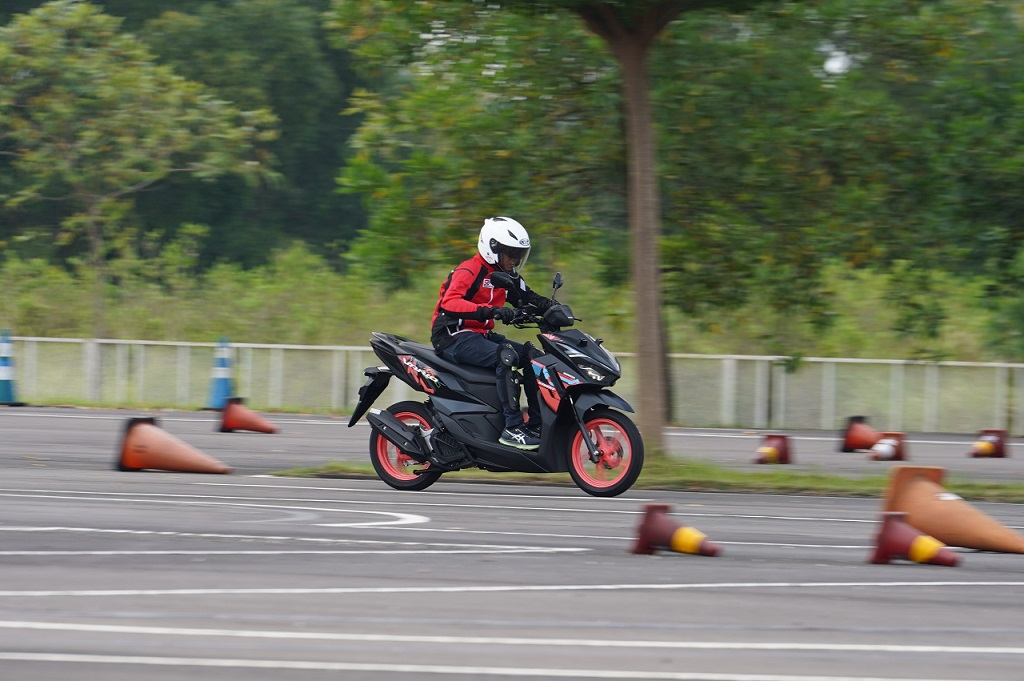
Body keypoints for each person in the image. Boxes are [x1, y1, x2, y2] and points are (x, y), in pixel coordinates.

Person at [430, 216, 553, 449]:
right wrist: (491, 311)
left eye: (518, 254)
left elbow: (528, 298)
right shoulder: (470, 269)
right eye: (510, 253)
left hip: (480, 335)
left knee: (534, 357)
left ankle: (536, 424)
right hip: (452, 335)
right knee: (506, 356)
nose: (514, 259)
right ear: (492, 248)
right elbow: (450, 303)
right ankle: (512, 428)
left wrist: (553, 308)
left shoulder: (508, 274)